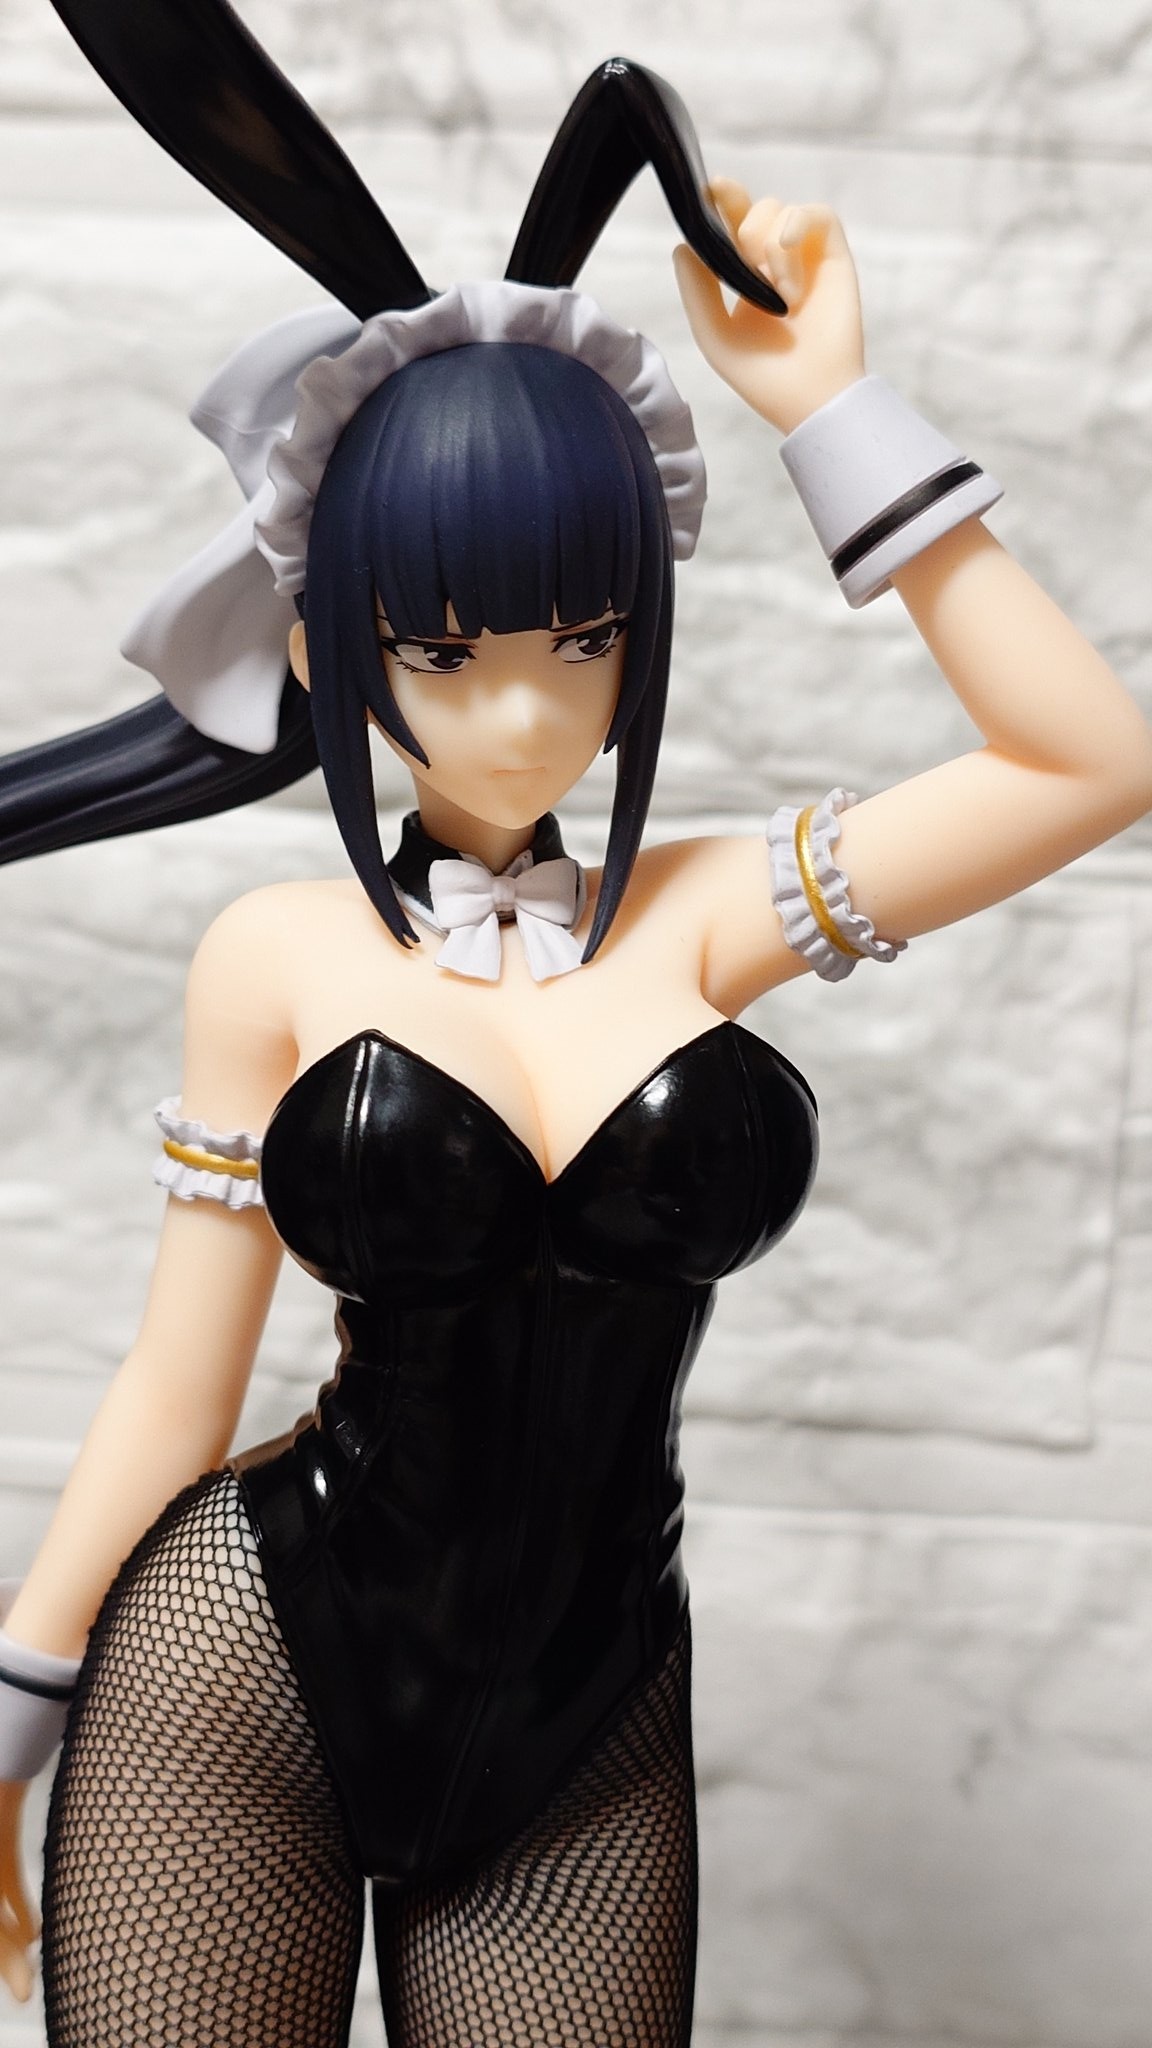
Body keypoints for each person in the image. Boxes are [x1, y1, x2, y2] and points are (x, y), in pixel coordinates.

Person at [1, 10, 1150, 2045]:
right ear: (329, 645)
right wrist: (11, 1719)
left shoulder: (708, 913)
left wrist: (833, 406)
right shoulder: (276, 954)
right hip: (242, 1672)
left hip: (587, 1715)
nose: (527, 712)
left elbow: (1086, 761)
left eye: (588, 638)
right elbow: (180, 1387)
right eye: (443, 650)